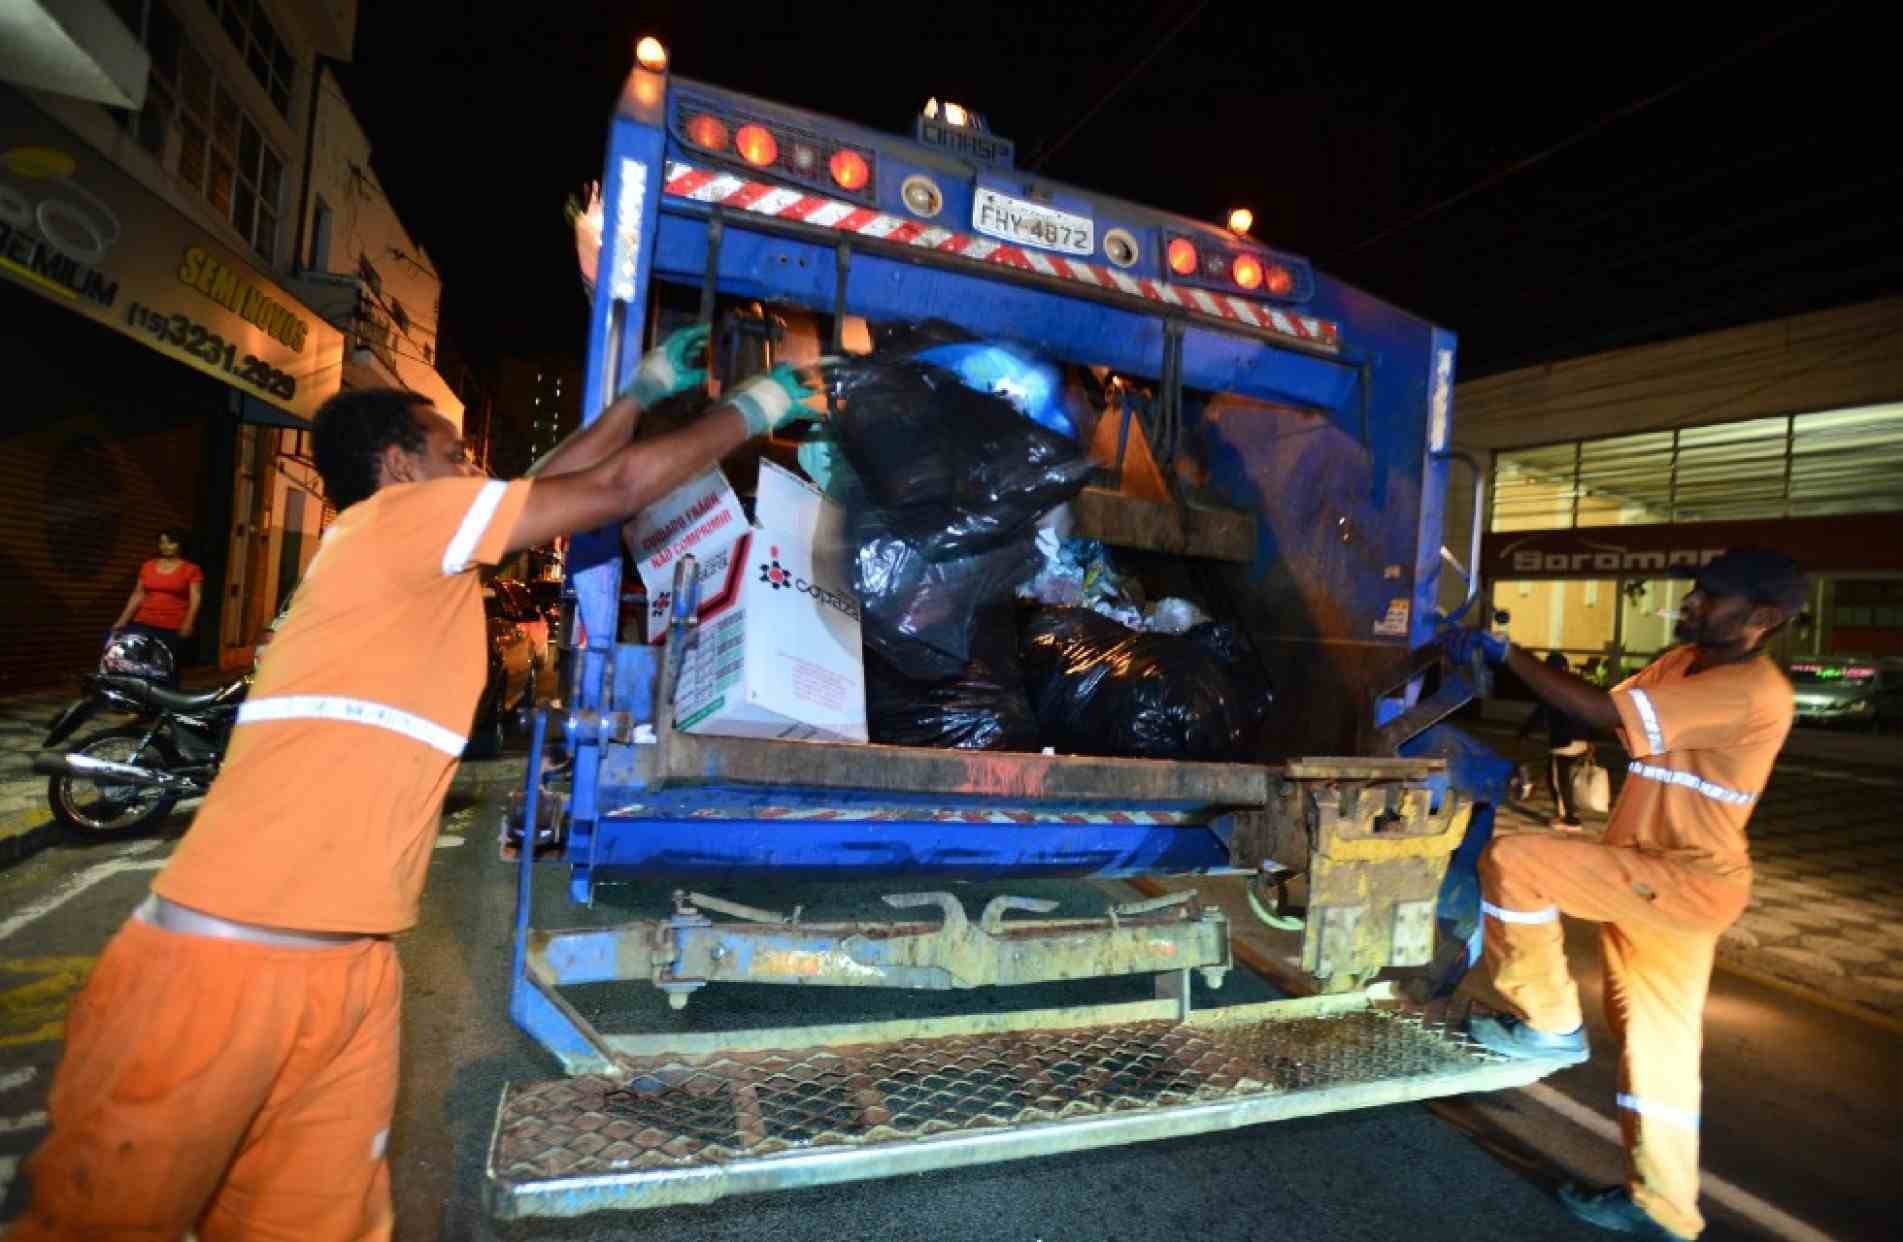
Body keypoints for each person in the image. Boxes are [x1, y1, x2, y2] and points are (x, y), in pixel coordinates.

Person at [6, 324, 818, 1240]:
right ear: (400, 466)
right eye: (450, 452)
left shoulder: (399, 546)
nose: (469, 466)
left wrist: (634, 396)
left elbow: (546, 482)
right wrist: (755, 406)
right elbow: (612, 489)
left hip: (352, 969)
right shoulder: (400, 524)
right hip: (225, 970)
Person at [1445, 549, 1805, 1241]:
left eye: (1712, 597)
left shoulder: (1751, 692)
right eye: (1695, 590)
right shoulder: (1683, 663)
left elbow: (1596, 706)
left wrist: (1506, 650)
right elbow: (1609, 716)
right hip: (1648, 872)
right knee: (1659, 1051)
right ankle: (1665, 1208)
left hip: (1679, 878)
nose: (1691, 603)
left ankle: (1546, 1021)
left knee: (1518, 861)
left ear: (1761, 619)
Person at [111, 526, 204, 681]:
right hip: (143, 622)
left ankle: (167, 701)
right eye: (162, 543)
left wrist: (189, 623)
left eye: (170, 543)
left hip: (172, 626)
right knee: (137, 665)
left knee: (165, 668)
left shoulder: (191, 569)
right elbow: (138, 594)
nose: (165, 547)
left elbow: (196, 598)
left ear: (180, 544)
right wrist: (122, 620)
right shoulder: (147, 566)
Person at [1517, 651, 1591, 828]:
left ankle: (1570, 820)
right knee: (1558, 778)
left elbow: (1539, 713)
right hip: (1579, 739)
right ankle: (1566, 813)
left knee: (1558, 780)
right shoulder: (1574, 684)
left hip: (1564, 741)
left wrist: (1524, 733)